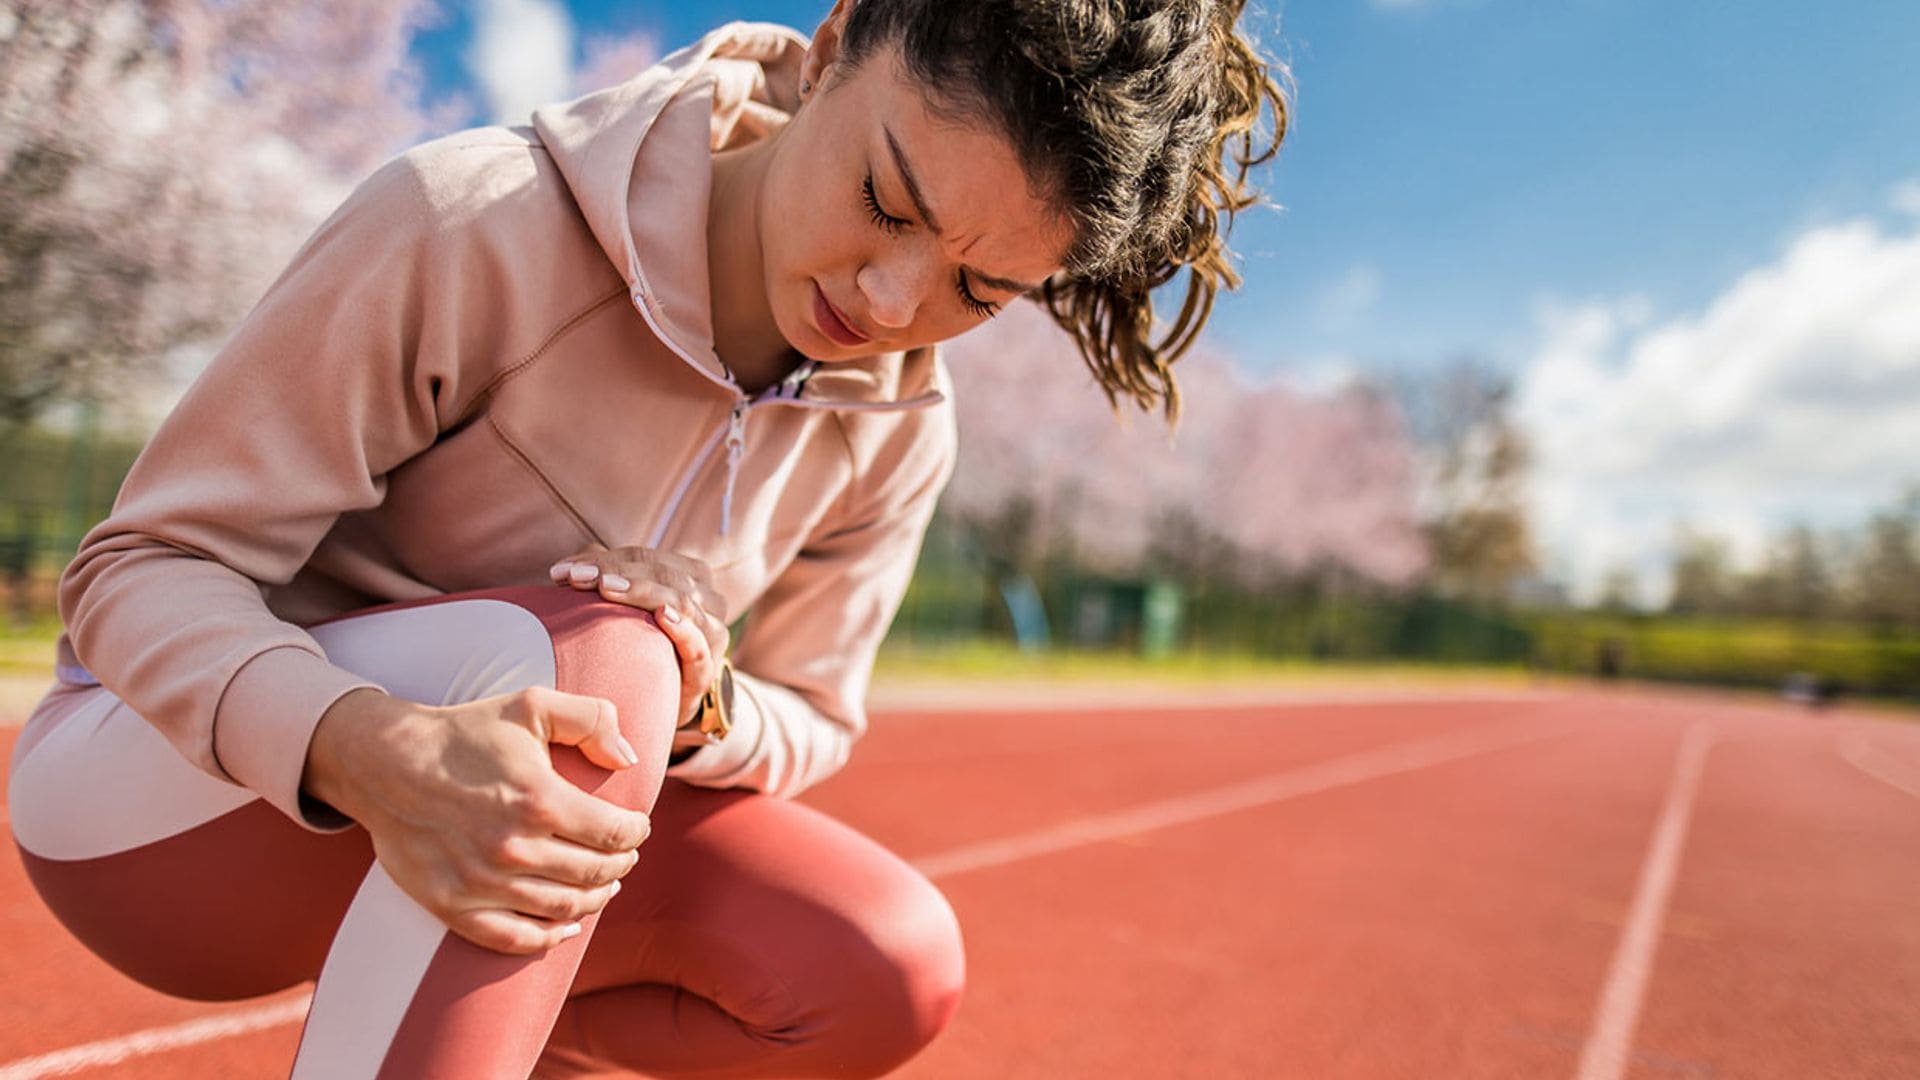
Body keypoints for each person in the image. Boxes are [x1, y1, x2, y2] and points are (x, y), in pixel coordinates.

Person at [6, 1, 1289, 1076]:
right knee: (602, 663)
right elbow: (135, 576)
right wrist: (361, 745)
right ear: (835, 44)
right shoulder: (474, 220)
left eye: (978, 291)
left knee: (882, 962)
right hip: (161, 807)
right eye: (887, 201)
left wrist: (708, 700)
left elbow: (811, 715)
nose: (894, 302)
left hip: (494, 840)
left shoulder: (900, 432)